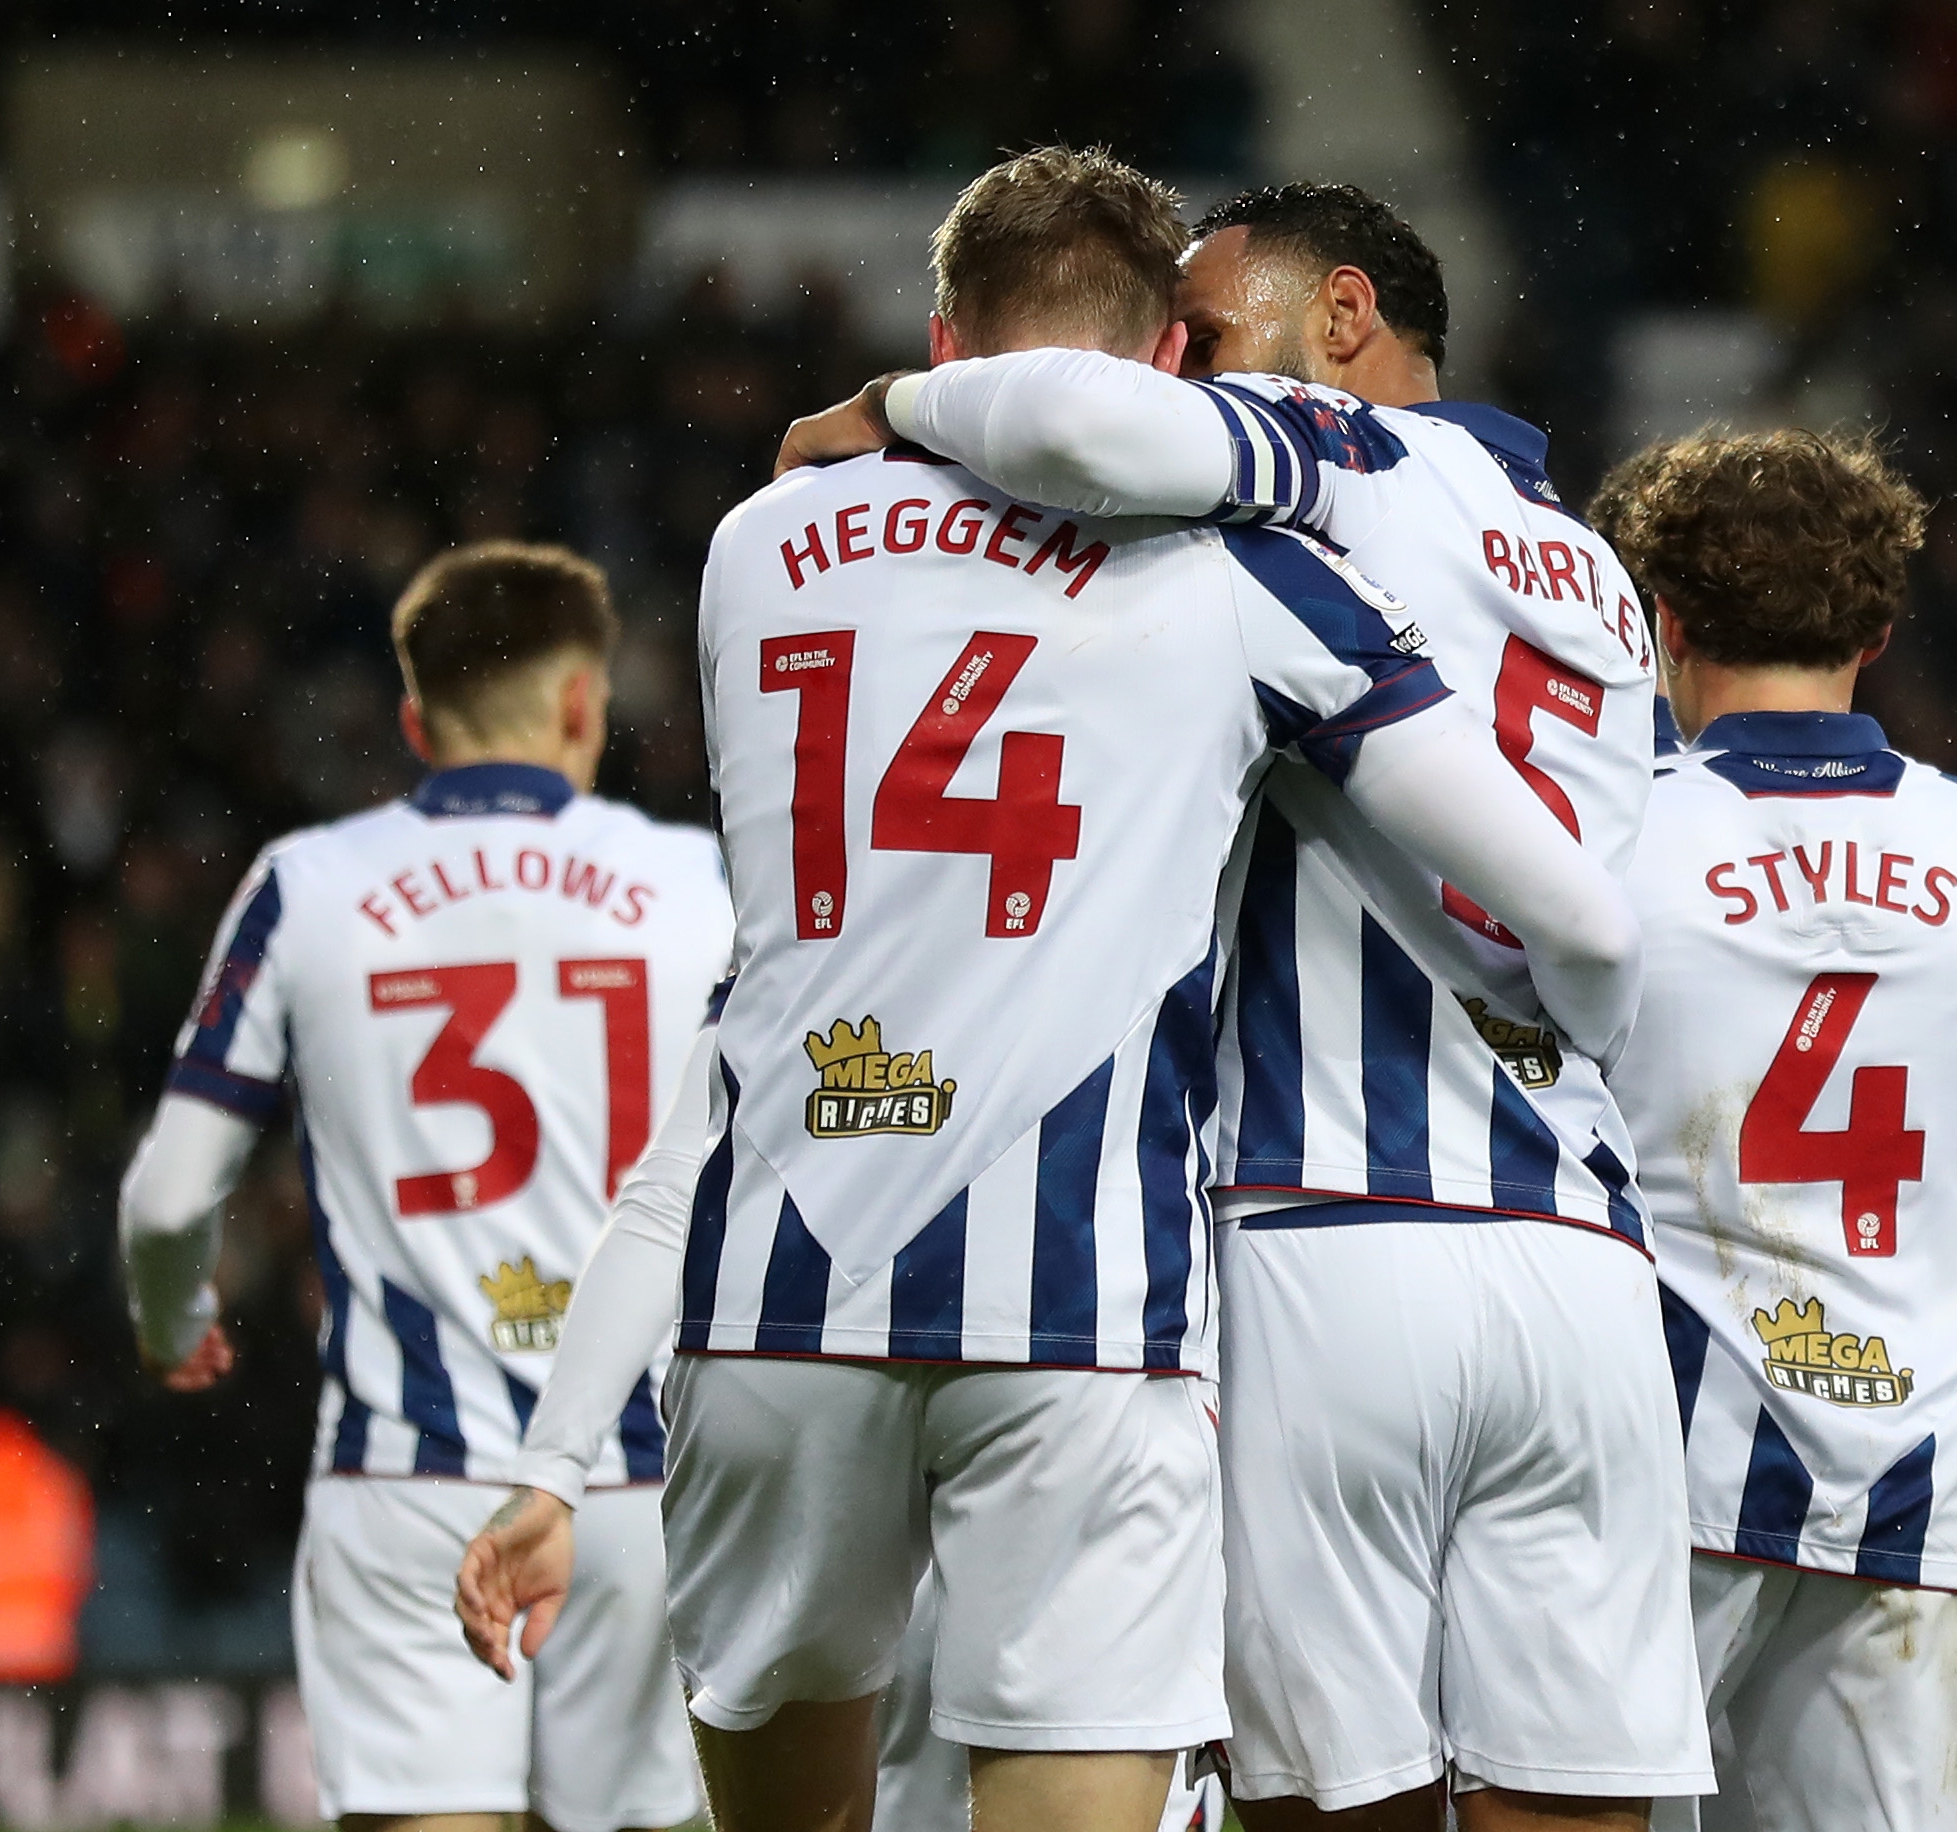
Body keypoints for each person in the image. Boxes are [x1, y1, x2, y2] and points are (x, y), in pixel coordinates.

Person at [453, 148, 1648, 1832]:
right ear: (1170, 359)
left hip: (777, 1287)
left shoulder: (757, 537)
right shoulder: (1240, 568)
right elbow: (1566, 905)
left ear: (947, 341)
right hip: (1080, 1311)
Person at [775, 180, 1707, 1832]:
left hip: (1318, 1226)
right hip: (1574, 1251)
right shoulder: (1586, 563)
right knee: (1568, 1801)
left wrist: (888, 405)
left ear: (1337, 319)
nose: (1173, 366)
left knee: (1314, 1799)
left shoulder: (1330, 461)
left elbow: (1074, 419)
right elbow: (1602, 919)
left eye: (1199, 332)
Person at [117, 542, 728, 1832]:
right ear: (580, 702)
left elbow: (170, 1195)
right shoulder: (700, 886)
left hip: (409, 1474)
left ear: (413, 719)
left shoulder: (309, 886)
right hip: (648, 1485)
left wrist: (173, 1323)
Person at [1590, 429, 1957, 1832]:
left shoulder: (1598, 839)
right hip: (1924, 1488)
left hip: (1652, 1488)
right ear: (1881, 628)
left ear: (1666, 622)